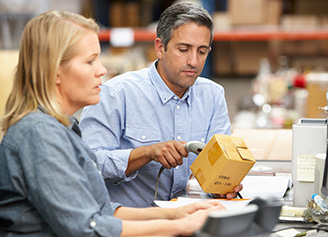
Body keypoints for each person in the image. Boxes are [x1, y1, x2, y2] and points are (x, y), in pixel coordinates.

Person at [0, 10, 226, 236]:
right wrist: (179, 226)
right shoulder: (40, 135)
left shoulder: (63, 128)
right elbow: (86, 228)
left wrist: (178, 213)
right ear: (55, 70)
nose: (102, 70)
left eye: (202, 51)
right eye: (90, 61)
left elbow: (100, 211)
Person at [79, 2, 242, 208]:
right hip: (131, 224)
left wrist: (222, 186)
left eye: (202, 52)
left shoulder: (212, 95)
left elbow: (219, 168)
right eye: (183, 49)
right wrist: (146, 153)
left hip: (186, 219)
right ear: (160, 48)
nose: (193, 61)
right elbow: (87, 164)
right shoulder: (117, 94)